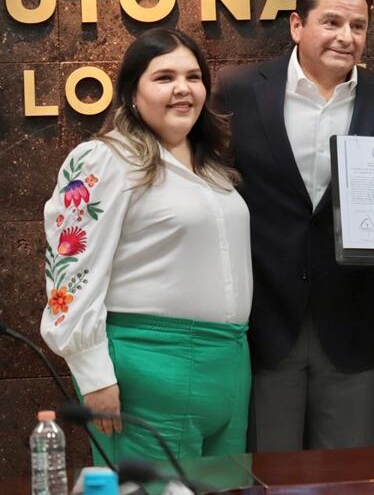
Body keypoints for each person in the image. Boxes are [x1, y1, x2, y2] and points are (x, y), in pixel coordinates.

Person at [213, 0, 374, 451]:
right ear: (296, 25)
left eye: (358, 26)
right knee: (268, 474)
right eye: (331, 22)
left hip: (352, 321)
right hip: (265, 320)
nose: (346, 37)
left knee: (350, 478)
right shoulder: (240, 90)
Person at [40, 28, 252, 464]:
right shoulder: (105, 158)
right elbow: (70, 273)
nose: (182, 89)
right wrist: (93, 375)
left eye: (193, 77)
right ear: (132, 93)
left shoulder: (212, 168)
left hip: (229, 364)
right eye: (164, 77)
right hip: (149, 366)